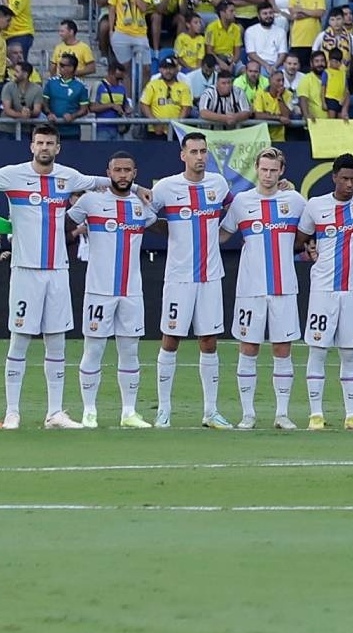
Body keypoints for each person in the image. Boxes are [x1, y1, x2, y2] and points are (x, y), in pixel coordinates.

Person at [0, 126, 109, 428]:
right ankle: (12, 412)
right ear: (31, 146)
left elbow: (101, 182)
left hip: (58, 270)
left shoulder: (67, 177)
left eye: (50, 143)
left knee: (57, 341)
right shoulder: (12, 175)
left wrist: (138, 188)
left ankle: (55, 412)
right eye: (40, 143)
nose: (44, 147)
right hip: (25, 271)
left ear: (58, 148)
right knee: (19, 340)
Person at [150, 129, 235, 429]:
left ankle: (210, 411)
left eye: (203, 152)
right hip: (178, 277)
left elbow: (234, 208)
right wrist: (171, 227)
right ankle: (163, 410)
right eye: (194, 152)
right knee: (171, 339)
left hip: (211, 276)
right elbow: (147, 217)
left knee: (209, 341)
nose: (199, 157)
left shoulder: (218, 184)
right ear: (182, 155)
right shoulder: (166, 188)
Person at [68, 151, 157, 428]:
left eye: (127, 170)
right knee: (93, 350)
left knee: (130, 350)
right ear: (108, 172)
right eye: (117, 170)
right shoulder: (91, 202)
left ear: (135, 173)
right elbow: (63, 227)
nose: (122, 175)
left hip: (132, 291)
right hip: (99, 290)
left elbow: (162, 219)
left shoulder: (144, 207)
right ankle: (89, 411)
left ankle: (128, 412)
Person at [221, 145, 307, 431]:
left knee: (283, 349)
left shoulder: (295, 200)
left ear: (281, 171)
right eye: (264, 169)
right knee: (248, 349)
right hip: (250, 288)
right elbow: (222, 235)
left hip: (284, 288)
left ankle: (282, 414)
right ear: (256, 169)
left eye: (273, 170)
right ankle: (248, 414)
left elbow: (314, 227)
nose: (268, 175)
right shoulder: (242, 202)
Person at [299, 153, 353, 431]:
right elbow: (301, 236)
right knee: (318, 350)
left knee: (349, 353)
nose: (348, 184)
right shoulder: (316, 205)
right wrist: (309, 248)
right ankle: (315, 415)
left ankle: (352, 415)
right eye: (344, 178)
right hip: (322, 289)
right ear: (333, 177)